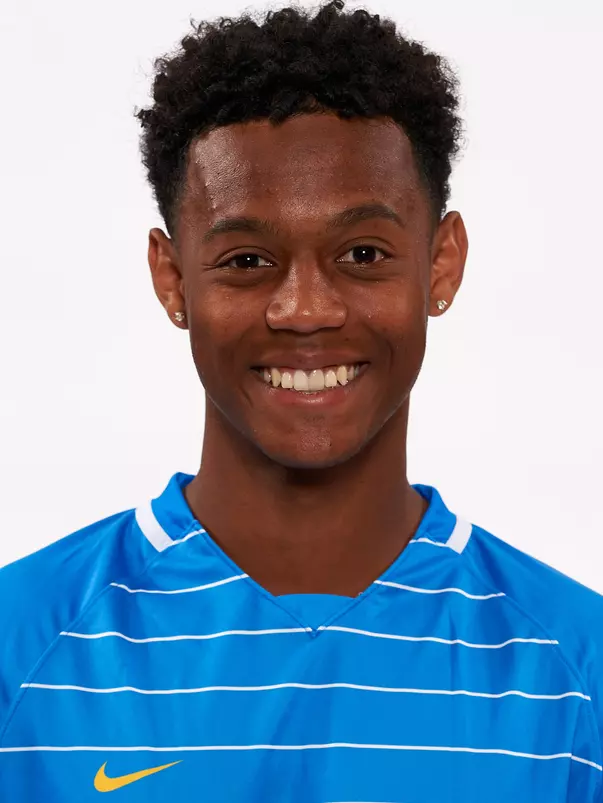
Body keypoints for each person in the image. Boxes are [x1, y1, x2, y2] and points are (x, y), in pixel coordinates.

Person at [1, 0, 602, 800]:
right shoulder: (22, 645)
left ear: (441, 264)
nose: (305, 308)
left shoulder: (575, 664)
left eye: (362, 252)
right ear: (172, 278)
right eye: (247, 259)